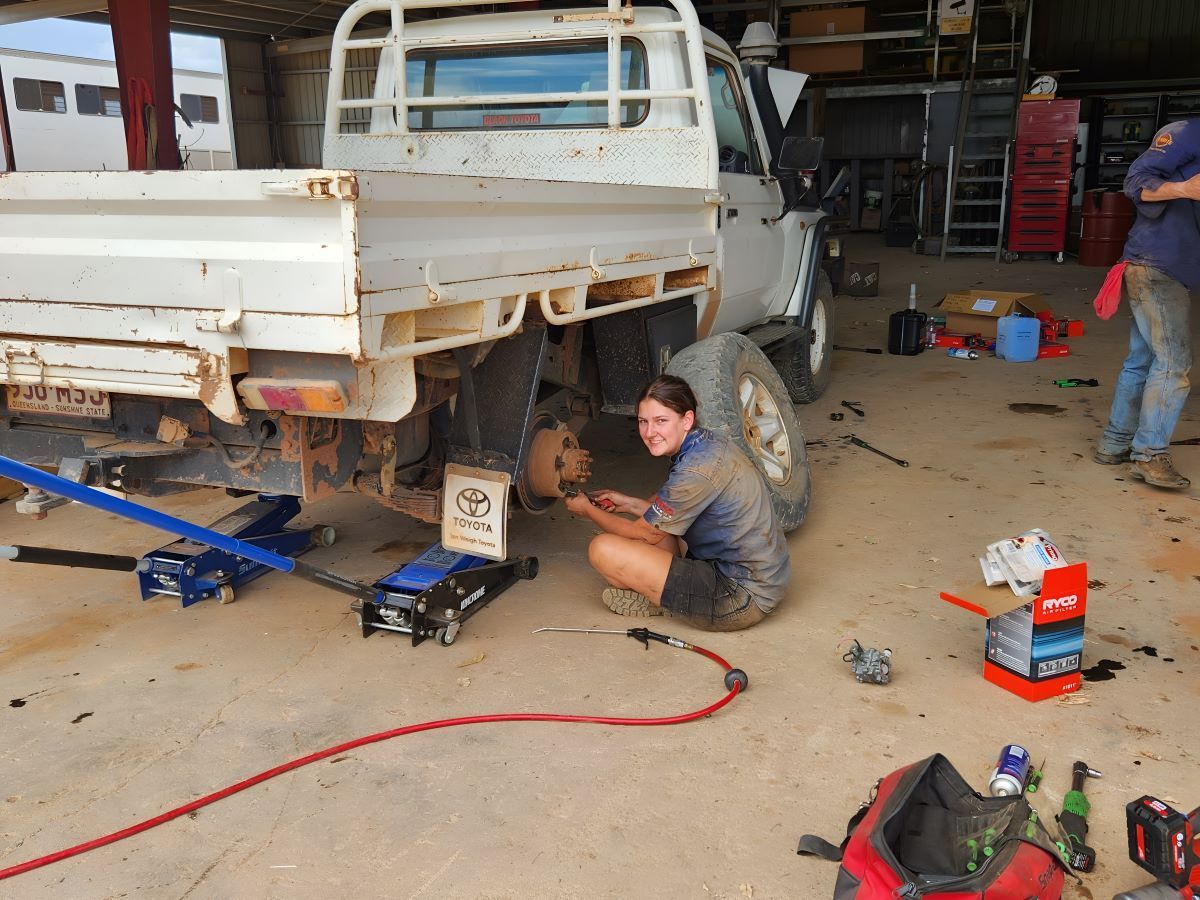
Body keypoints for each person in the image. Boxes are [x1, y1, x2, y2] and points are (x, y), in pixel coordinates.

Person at [564, 374, 790, 631]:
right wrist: (625, 503)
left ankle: (662, 601)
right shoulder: (705, 445)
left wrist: (586, 510)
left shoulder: (697, 471)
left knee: (602, 549)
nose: (649, 433)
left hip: (740, 597)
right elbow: (663, 512)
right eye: (643, 422)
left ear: (687, 419)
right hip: (760, 578)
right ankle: (667, 591)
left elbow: (644, 533)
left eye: (661, 421)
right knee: (657, 525)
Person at [1094, 116, 1199, 490]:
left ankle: (1115, 443)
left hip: (1171, 267)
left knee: (1142, 361)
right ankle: (1150, 454)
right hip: (1157, 265)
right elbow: (1136, 182)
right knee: (1173, 363)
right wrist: (1185, 189)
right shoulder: (1188, 134)